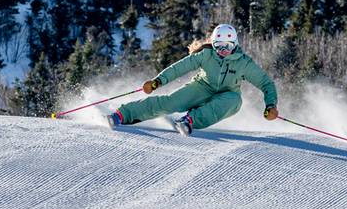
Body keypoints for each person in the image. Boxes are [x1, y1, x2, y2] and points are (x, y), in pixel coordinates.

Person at [106, 23, 278, 135]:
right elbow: (180, 67)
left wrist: (271, 105)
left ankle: (189, 120)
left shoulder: (244, 63)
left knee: (235, 100)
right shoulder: (206, 54)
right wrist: (158, 81)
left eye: (228, 46)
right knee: (169, 103)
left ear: (235, 44)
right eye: (219, 46)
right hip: (201, 87)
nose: (223, 50)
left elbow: (266, 83)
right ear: (213, 44)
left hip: (226, 95)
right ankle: (123, 114)